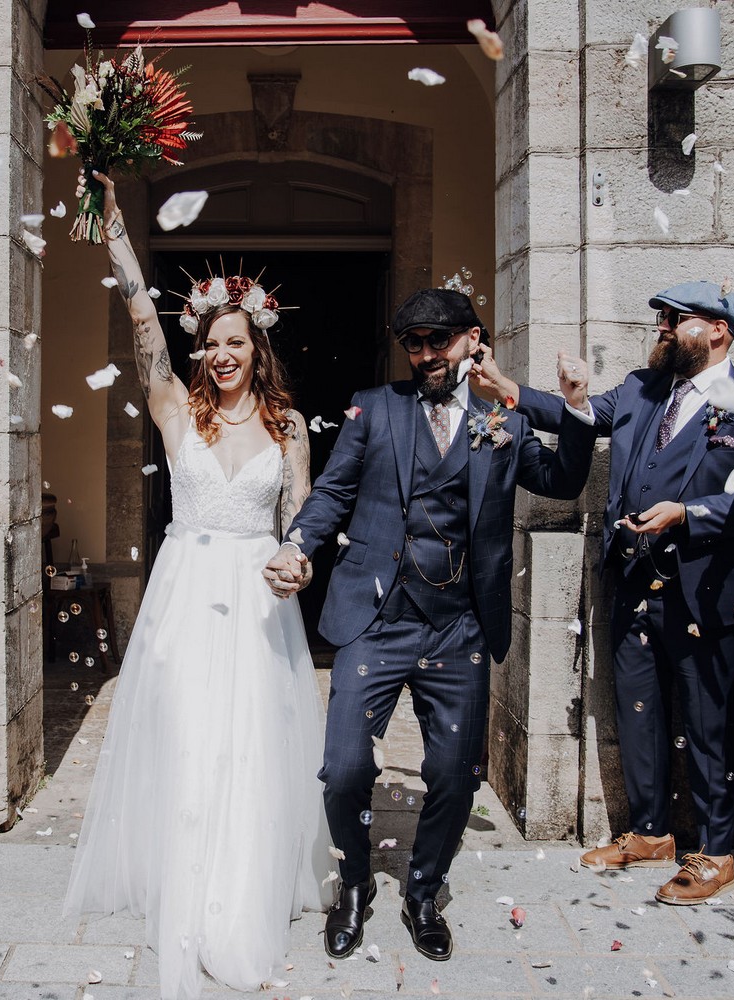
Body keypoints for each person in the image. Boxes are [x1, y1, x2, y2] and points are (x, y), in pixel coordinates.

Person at [264, 288, 595, 962]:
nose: (423, 355)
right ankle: (354, 884)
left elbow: (562, 480)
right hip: (376, 617)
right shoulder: (376, 409)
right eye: (413, 342)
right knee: (345, 767)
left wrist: (573, 406)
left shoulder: (505, 419)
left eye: (436, 341)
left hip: (459, 627)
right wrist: (298, 546)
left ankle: (423, 890)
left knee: (452, 775)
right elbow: (332, 492)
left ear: (474, 339)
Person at [63, 171, 330, 999]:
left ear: (258, 349)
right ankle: (180, 867)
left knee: (247, 738)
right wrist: (114, 232)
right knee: (186, 730)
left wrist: (302, 563)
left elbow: (302, 522)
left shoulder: (287, 426)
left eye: (237, 343)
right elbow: (141, 320)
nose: (222, 354)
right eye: (212, 341)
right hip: (184, 594)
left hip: (254, 601)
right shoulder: (174, 406)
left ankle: (238, 878)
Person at [509, 283, 734, 904]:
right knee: (637, 711)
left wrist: (688, 514)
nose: (661, 325)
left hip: (707, 587)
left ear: (718, 329)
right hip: (633, 579)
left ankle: (716, 854)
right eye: (659, 315)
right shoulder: (642, 388)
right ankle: (649, 834)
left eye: (674, 318)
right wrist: (517, 390)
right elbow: (579, 417)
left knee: (708, 720)